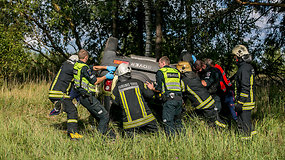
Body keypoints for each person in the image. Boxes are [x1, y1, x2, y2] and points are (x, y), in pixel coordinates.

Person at [73, 49, 116, 137]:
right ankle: (99, 138)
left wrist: (105, 67)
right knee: (104, 116)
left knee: (99, 117)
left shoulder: (77, 65)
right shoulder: (85, 68)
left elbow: (93, 68)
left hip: (82, 97)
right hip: (88, 97)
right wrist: (106, 76)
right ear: (86, 57)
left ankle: (111, 136)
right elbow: (95, 81)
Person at [111, 63, 158, 137]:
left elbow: (115, 102)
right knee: (156, 134)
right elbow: (150, 95)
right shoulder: (138, 82)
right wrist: (151, 89)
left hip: (129, 123)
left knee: (130, 140)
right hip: (147, 119)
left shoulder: (117, 88)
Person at [177, 61, 226, 129]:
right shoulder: (195, 77)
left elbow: (180, 91)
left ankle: (226, 131)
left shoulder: (184, 81)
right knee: (213, 120)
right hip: (209, 102)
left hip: (204, 105)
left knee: (215, 123)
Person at [146, 56, 183, 136]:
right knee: (178, 121)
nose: (159, 65)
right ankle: (183, 139)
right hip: (179, 99)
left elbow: (159, 89)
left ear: (163, 63)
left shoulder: (161, 72)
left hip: (169, 100)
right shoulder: (176, 71)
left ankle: (171, 141)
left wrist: (152, 88)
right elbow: (181, 86)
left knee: (168, 122)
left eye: (159, 63)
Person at [48, 55, 83, 140]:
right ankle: (73, 134)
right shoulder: (71, 67)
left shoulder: (64, 66)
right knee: (72, 111)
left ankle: (58, 106)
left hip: (54, 93)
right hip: (59, 94)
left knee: (69, 108)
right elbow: (82, 73)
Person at [231, 45, 257, 140]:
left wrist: (240, 103)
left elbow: (245, 87)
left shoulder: (244, 69)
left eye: (235, 57)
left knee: (243, 124)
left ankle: (246, 144)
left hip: (245, 102)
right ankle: (254, 140)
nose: (234, 59)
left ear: (239, 56)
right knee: (248, 122)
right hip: (248, 100)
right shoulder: (247, 67)